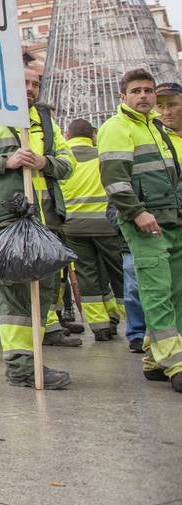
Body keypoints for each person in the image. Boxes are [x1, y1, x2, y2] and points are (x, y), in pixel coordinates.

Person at [0, 66, 77, 389]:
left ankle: (30, 359)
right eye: (23, 82)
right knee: (13, 294)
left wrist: (43, 163)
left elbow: (68, 163)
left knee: (44, 293)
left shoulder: (46, 121)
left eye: (35, 83)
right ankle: (21, 366)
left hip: (46, 218)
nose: (30, 88)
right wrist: (5, 162)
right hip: (7, 217)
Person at [98, 69, 182, 392]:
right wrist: (137, 213)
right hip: (143, 222)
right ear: (123, 96)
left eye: (148, 90)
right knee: (157, 290)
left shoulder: (158, 128)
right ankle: (175, 362)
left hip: (170, 220)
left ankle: (152, 359)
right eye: (136, 91)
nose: (144, 96)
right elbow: (115, 181)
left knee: (173, 292)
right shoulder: (116, 128)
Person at [60, 118, 124, 342]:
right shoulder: (101, 156)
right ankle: (128, 321)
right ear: (93, 136)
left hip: (74, 227)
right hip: (107, 226)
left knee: (87, 274)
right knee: (118, 275)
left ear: (68, 136)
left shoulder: (63, 161)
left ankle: (100, 327)